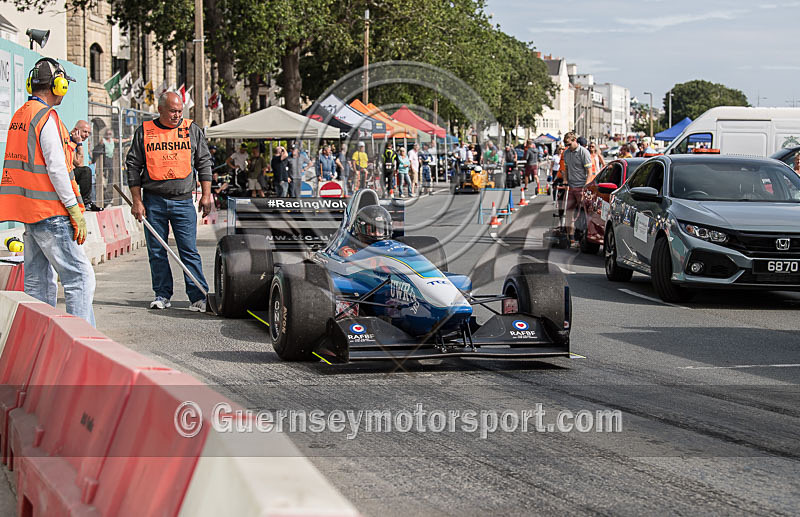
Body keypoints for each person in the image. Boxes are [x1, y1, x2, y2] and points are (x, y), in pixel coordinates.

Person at [0, 58, 95, 324]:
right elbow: (57, 169)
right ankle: (82, 340)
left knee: (38, 282)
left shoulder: (21, 114)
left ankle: (39, 336)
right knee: (80, 278)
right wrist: (74, 208)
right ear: (58, 85)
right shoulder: (47, 117)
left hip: (30, 214)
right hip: (51, 212)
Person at [126, 91, 213, 312]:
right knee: (157, 251)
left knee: (188, 250)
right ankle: (162, 294)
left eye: (180, 111)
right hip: (154, 202)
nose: (177, 115)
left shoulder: (192, 130)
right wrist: (137, 201)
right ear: (161, 109)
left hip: (183, 202)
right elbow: (133, 167)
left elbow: (204, 162)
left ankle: (198, 295)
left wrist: (206, 194)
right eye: (173, 111)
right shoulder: (144, 132)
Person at [561, 131, 592, 243]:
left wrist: (586, 187)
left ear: (575, 140)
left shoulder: (584, 152)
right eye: (566, 145)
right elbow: (567, 169)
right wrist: (565, 180)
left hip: (581, 186)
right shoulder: (566, 153)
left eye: (569, 144)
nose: (567, 147)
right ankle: (571, 237)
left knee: (583, 213)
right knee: (568, 212)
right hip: (571, 187)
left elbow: (589, 172)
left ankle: (584, 236)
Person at [68, 120, 99, 211]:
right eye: (85, 131)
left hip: (69, 173)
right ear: (76, 130)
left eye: (89, 133)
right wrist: (80, 144)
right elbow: (78, 163)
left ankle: (87, 202)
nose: (87, 135)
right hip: (62, 175)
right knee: (86, 171)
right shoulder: (68, 141)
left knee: (85, 171)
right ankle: (86, 202)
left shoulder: (75, 142)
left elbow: (79, 165)